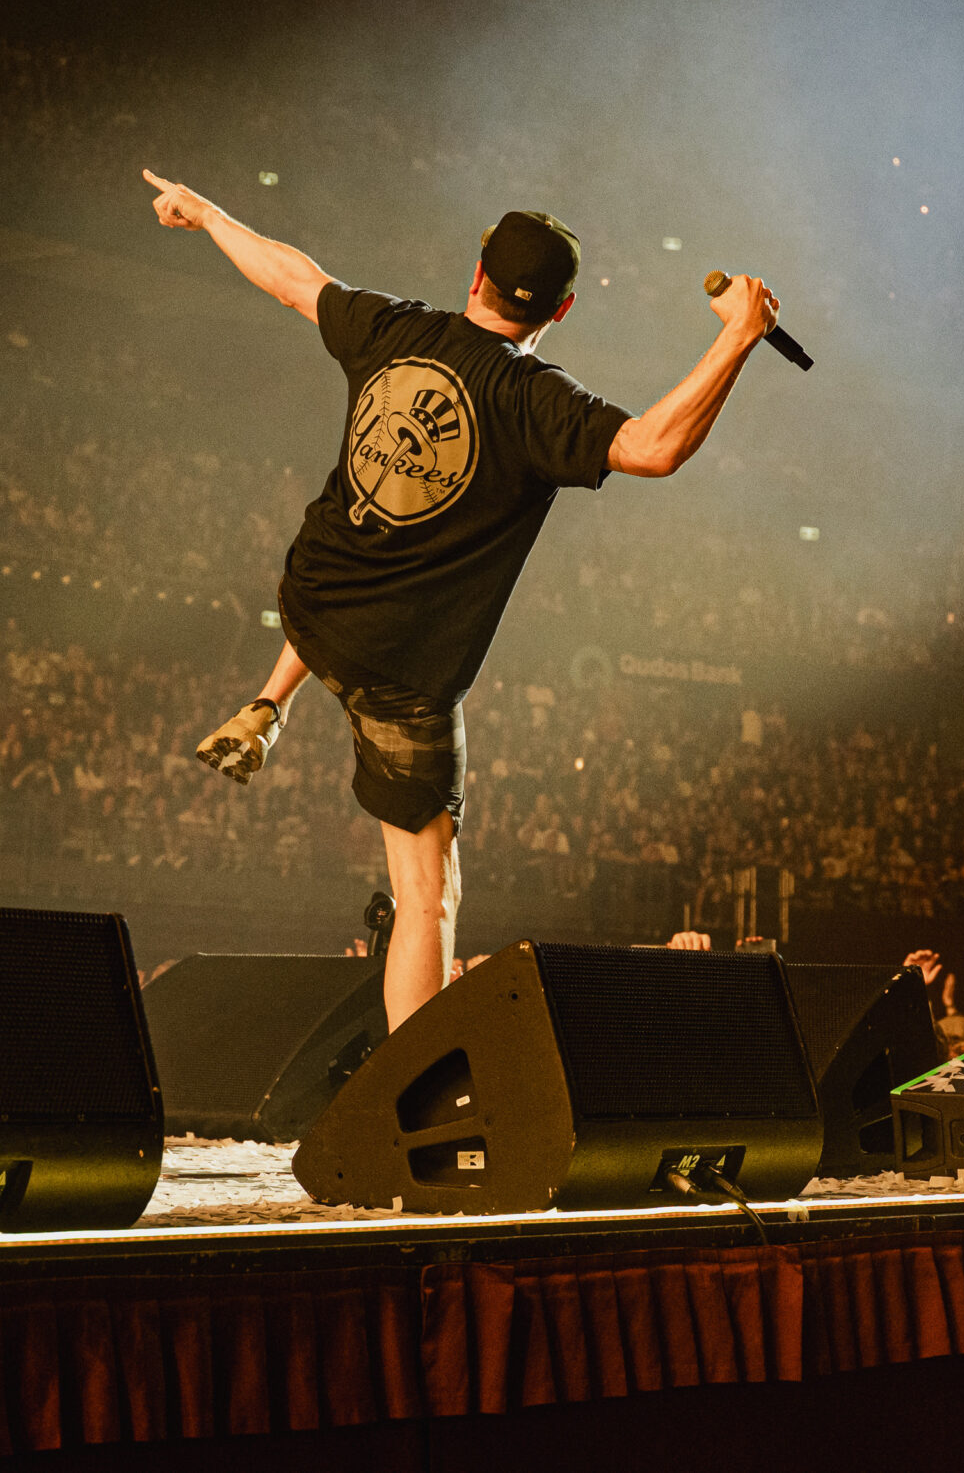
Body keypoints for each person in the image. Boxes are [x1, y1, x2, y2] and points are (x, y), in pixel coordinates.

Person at [143, 172, 780, 1031]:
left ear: (476, 274)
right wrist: (739, 335)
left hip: (312, 599)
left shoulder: (393, 327)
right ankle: (413, 1084)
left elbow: (292, 278)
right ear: (562, 310)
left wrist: (207, 211)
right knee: (427, 894)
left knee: (349, 577)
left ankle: (269, 701)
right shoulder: (534, 400)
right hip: (399, 681)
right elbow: (652, 448)